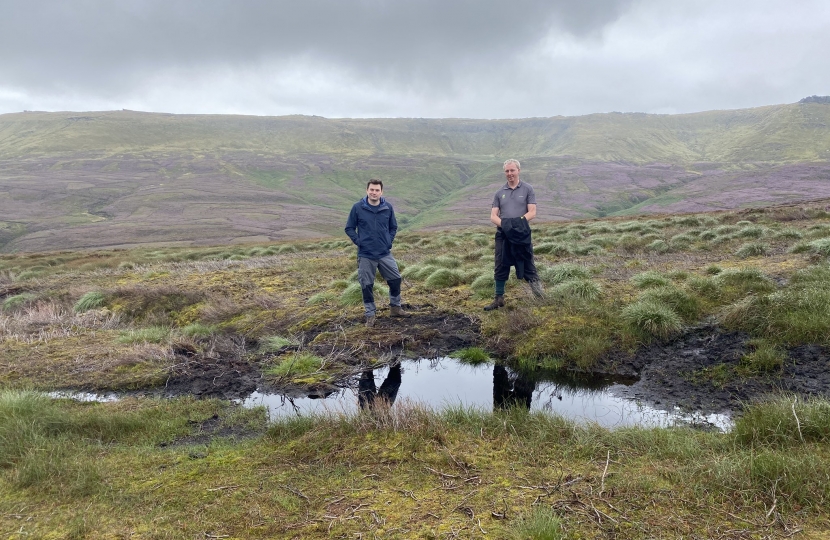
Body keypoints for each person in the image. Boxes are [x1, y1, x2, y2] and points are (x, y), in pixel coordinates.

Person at [345, 179, 410, 327]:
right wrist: (359, 241)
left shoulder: (387, 207)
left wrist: (388, 241)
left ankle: (395, 308)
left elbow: (393, 227)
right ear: (367, 190)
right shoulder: (357, 208)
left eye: (377, 190)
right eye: (371, 190)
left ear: (381, 192)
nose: (374, 192)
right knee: (367, 285)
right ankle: (370, 315)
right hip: (366, 254)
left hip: (384, 252)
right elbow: (349, 228)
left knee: (395, 279)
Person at [484, 159, 544, 311]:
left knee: (528, 263)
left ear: (518, 171)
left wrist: (517, 224)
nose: (509, 174)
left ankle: (540, 297)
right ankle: (499, 299)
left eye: (512, 170)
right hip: (503, 235)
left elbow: (532, 212)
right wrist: (506, 225)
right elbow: (493, 216)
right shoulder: (499, 193)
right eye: (507, 171)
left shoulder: (528, 189)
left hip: (521, 234)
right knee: (500, 265)